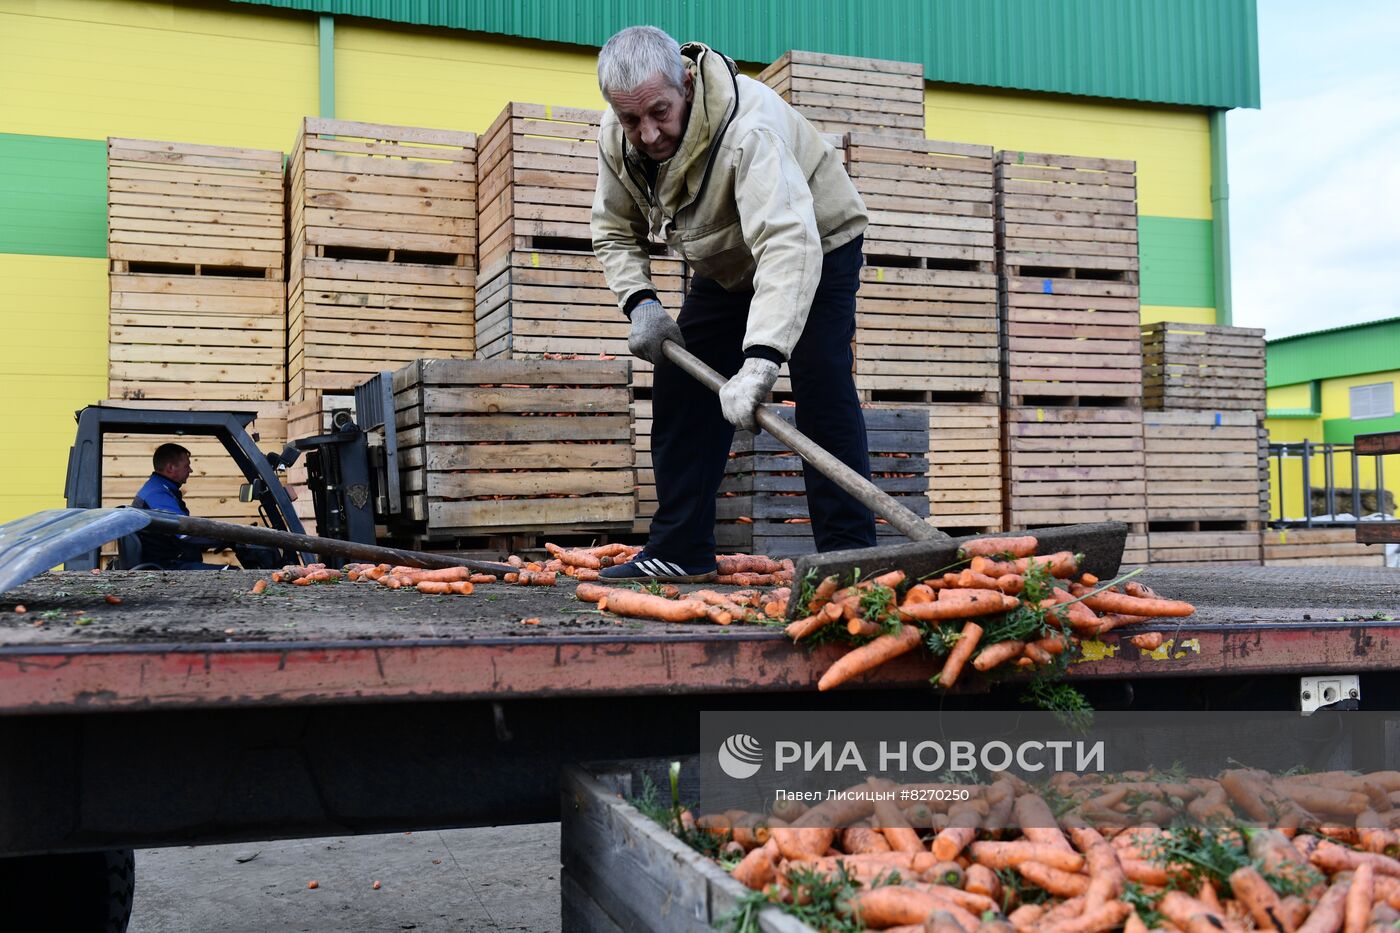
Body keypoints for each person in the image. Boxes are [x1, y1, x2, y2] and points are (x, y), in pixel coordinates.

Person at [590, 25, 876, 583]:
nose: (647, 134)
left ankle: (851, 559)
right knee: (683, 380)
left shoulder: (750, 130)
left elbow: (786, 243)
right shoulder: (618, 135)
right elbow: (613, 230)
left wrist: (762, 358)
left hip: (814, 239)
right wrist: (641, 303)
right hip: (728, 260)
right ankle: (681, 549)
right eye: (631, 119)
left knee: (821, 381)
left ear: (688, 83)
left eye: (659, 112)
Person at [134, 443, 228, 570]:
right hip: (167, 568)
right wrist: (225, 536)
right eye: (187, 466)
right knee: (235, 575)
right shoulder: (157, 494)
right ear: (170, 468)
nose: (190, 470)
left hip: (171, 562)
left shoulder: (160, 489)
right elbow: (185, 534)